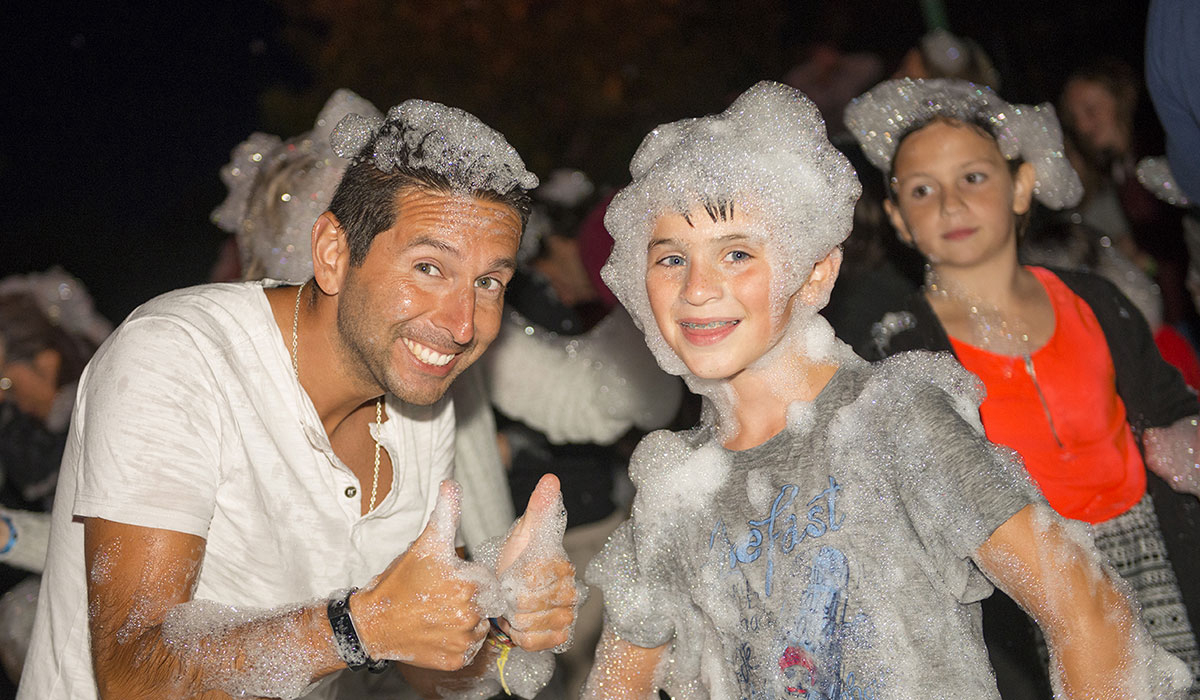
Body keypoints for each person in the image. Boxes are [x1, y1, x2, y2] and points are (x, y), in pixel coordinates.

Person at [581, 80, 1192, 699]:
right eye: (670, 259)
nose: (697, 288)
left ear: (814, 273)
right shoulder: (672, 490)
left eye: (736, 253)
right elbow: (615, 688)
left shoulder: (891, 420)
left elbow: (1090, 613)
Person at [21, 98, 578, 700]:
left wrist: (497, 618)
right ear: (334, 254)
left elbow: (424, 662)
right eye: (428, 268)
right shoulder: (177, 358)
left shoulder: (421, 400)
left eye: (489, 282)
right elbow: (134, 676)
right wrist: (357, 629)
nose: (462, 323)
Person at [848, 78, 1200, 698]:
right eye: (923, 190)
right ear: (899, 217)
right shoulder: (900, 352)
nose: (951, 204)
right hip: (1029, 596)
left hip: (1159, 555)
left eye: (973, 177)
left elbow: (1172, 408)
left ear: (1021, 187)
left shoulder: (1096, 301)